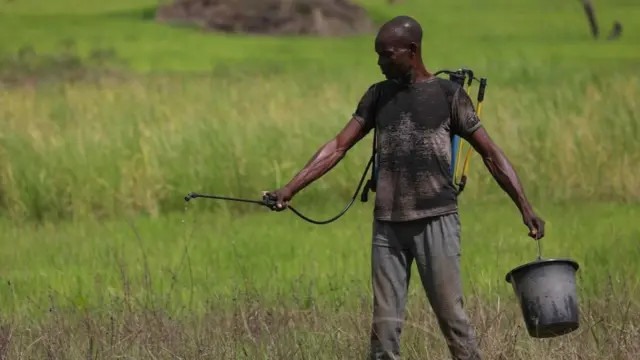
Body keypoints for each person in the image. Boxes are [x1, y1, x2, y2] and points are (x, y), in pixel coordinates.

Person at [264, 15, 545, 360]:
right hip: (388, 229)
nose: (380, 62)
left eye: (387, 54)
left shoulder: (448, 96)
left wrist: (525, 208)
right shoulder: (378, 95)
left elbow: (491, 155)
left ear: (412, 51)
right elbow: (337, 146)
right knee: (383, 331)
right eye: (378, 55)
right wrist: (290, 188)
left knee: (452, 321)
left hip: (436, 222)